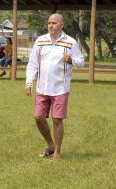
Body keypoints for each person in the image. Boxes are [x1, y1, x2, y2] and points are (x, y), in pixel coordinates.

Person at [25, 13, 84, 161]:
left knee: (57, 120)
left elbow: (81, 61)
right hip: (42, 87)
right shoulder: (40, 41)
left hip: (60, 88)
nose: (51, 25)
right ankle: (50, 145)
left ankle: (57, 152)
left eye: (54, 23)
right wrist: (29, 82)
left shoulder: (70, 42)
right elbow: (33, 63)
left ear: (61, 25)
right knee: (38, 117)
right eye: (49, 23)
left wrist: (71, 60)